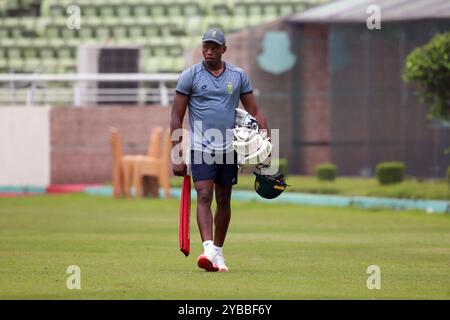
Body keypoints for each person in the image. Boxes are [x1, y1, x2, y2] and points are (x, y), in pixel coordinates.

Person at [170, 28, 269, 272]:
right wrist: (177, 153)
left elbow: (255, 111)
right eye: (206, 46)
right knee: (204, 195)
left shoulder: (238, 76)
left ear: (224, 49)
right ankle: (208, 250)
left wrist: (266, 142)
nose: (209, 50)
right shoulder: (189, 76)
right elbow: (176, 116)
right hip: (201, 147)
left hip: (229, 148)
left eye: (215, 47)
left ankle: (218, 252)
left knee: (224, 199)